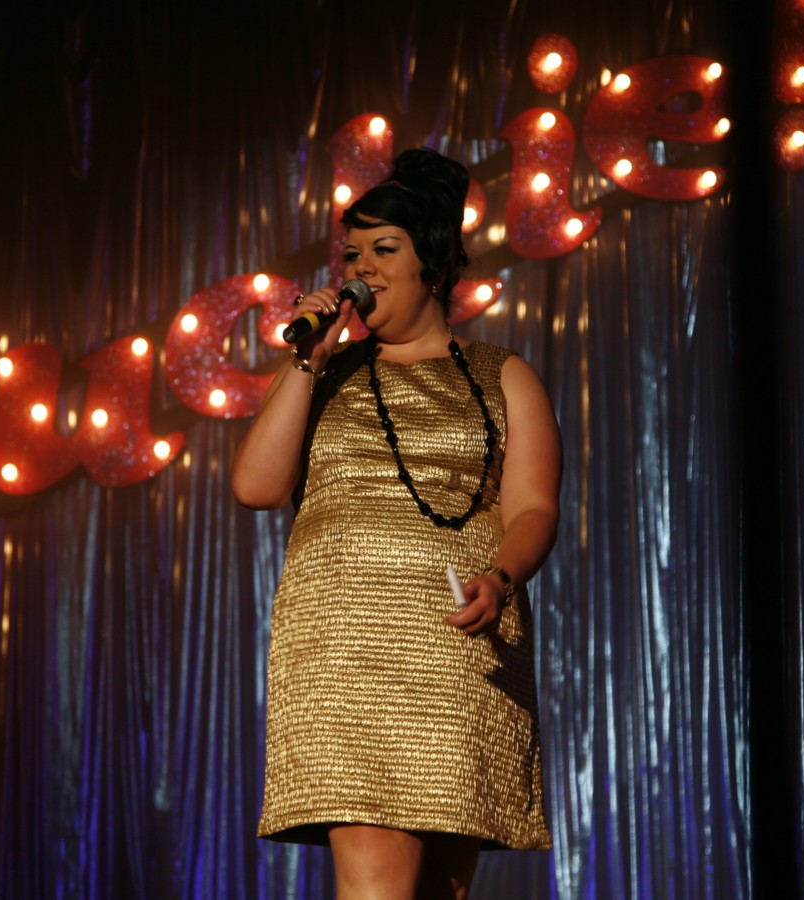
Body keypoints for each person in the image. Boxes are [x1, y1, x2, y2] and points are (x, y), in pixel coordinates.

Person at [231, 147, 561, 899]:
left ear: (435, 268)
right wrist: (307, 359)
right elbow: (255, 485)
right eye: (353, 252)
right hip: (341, 647)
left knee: (440, 887)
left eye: (386, 249)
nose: (364, 267)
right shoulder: (326, 373)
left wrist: (502, 578)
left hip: (454, 640)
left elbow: (534, 507)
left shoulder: (501, 375)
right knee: (374, 871)